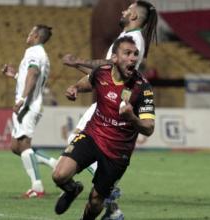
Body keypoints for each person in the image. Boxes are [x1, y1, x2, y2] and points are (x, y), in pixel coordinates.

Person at [62, 1, 158, 218]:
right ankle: (109, 201)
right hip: (107, 96)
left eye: (128, 9)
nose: (123, 11)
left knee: (79, 142)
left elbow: (106, 64)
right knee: (77, 145)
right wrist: (79, 76)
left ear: (134, 16)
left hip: (113, 101)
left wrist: (77, 61)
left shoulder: (132, 40)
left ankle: (110, 197)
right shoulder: (128, 35)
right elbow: (106, 68)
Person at [2, 24, 58, 198]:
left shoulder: (34, 52)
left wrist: (22, 99)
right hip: (30, 102)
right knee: (15, 146)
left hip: (28, 104)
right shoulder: (41, 54)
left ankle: (37, 187)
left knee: (24, 144)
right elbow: (30, 76)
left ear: (35, 36)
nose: (28, 34)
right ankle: (54, 163)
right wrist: (16, 76)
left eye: (30, 32)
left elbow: (33, 75)